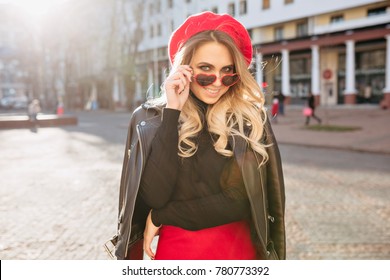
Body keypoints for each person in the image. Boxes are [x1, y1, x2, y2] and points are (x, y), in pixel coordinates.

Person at [113, 11, 285, 260]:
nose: (217, 82)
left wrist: (163, 216)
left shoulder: (248, 119)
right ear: (184, 69)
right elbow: (155, 195)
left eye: (228, 72)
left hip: (236, 250)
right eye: (206, 70)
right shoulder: (148, 119)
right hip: (178, 252)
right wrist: (172, 112)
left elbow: (241, 200)